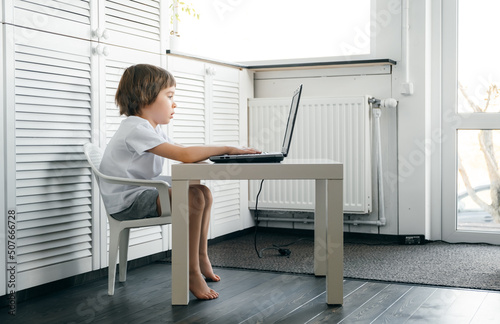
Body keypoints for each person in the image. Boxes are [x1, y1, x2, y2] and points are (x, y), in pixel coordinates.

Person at [99, 64, 260, 300]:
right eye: (170, 96)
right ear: (146, 96)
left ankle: (201, 256)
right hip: (127, 203)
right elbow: (184, 156)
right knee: (194, 196)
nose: (175, 103)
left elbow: (183, 150)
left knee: (203, 191)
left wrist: (227, 150)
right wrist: (228, 148)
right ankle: (190, 270)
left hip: (141, 192)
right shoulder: (135, 127)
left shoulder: (150, 128)